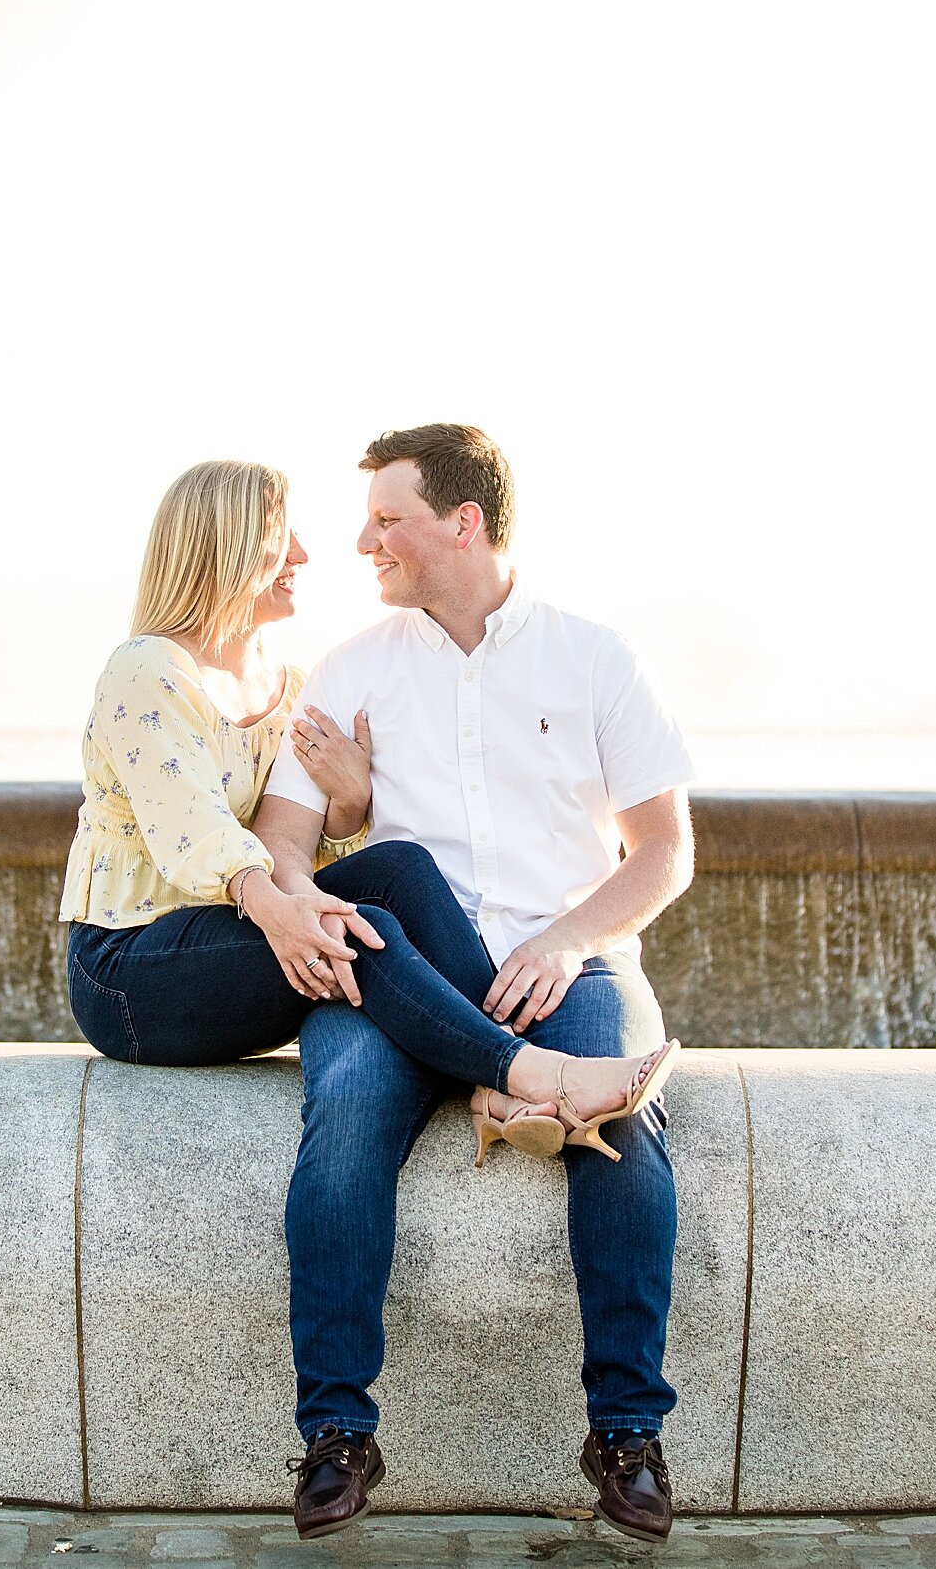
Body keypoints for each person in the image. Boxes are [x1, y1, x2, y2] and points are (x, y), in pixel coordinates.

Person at [250, 424, 698, 1543]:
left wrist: (561, 939)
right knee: (343, 1116)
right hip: (400, 975)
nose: (365, 539)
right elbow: (280, 848)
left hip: (573, 958)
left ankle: (627, 1429)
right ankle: (337, 1432)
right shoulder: (351, 669)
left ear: (464, 522)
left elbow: (663, 851)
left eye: (386, 517)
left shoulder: (594, 657)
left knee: (626, 1127)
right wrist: (334, 835)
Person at [59, 457, 673, 1137]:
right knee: (381, 902)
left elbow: (319, 849)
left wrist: (349, 808)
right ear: (225, 545)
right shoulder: (147, 669)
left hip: (246, 935)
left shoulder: (289, 688)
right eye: (279, 534)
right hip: (131, 965)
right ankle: (524, 1071)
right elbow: (197, 832)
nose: (302, 553)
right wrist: (281, 911)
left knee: (395, 874)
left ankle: (506, 1069)